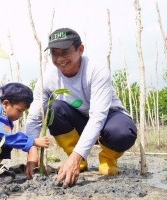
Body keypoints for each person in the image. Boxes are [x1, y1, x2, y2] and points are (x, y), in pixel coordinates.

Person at [25, 28, 137, 188]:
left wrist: (75, 157)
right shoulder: (48, 78)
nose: (60, 59)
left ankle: (107, 158)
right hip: (79, 120)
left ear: (81, 49)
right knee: (54, 109)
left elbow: (98, 116)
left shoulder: (96, 70)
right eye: (54, 54)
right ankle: (78, 159)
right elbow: (35, 117)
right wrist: (32, 150)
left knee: (123, 132)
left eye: (65, 52)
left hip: (109, 120)